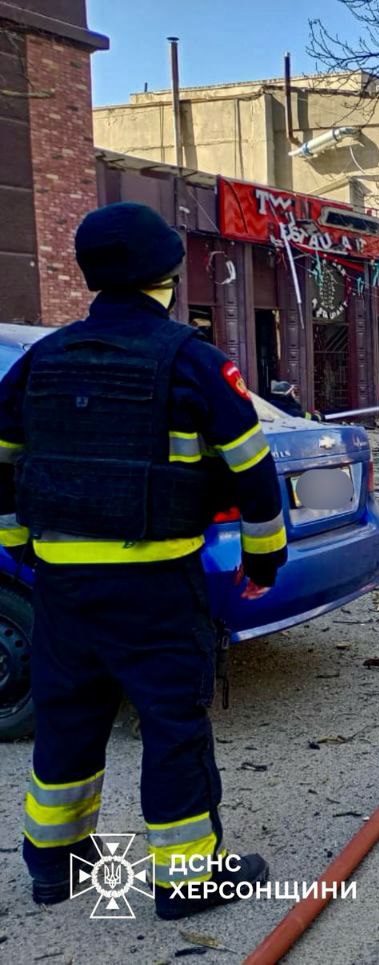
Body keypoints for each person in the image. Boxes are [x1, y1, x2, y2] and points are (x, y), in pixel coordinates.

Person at [0, 202, 288, 919]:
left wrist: (18, 551)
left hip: (62, 587)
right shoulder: (192, 363)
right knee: (171, 723)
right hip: (156, 588)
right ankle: (187, 879)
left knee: (67, 718)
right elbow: (253, 472)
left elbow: (3, 467)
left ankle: (53, 865)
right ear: (165, 277)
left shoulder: (44, 359)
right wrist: (264, 560)